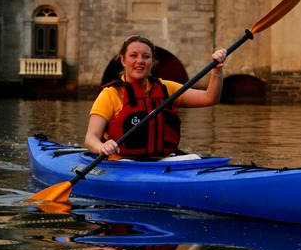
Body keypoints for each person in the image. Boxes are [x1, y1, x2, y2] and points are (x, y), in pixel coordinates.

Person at [85, 35, 227, 159]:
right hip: (123, 162)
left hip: (162, 162)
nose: (140, 61)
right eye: (133, 55)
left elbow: (210, 98)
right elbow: (91, 138)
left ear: (152, 61)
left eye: (146, 57)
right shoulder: (111, 94)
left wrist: (217, 69)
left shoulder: (166, 88)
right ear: (123, 60)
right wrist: (102, 147)